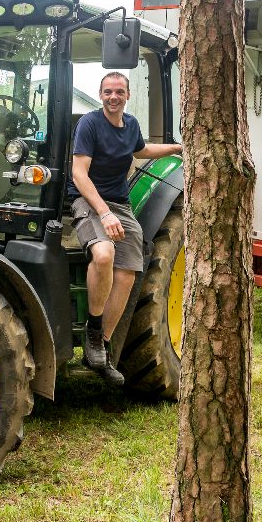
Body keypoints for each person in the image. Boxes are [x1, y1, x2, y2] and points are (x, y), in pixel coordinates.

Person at [67, 72, 182, 385]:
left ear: (127, 95)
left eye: (119, 91)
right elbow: (79, 174)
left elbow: (140, 150)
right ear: (100, 94)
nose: (113, 97)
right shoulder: (89, 124)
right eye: (108, 92)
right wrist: (104, 214)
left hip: (120, 205)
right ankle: (93, 331)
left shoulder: (130, 124)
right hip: (89, 202)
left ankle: (101, 348)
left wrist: (175, 149)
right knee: (103, 254)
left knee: (128, 271)